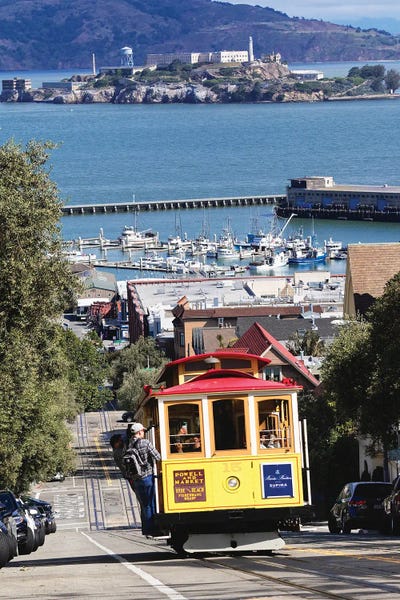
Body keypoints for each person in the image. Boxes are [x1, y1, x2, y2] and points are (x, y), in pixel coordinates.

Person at [128, 422, 161, 536]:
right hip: (147, 477)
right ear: (139, 432)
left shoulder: (130, 445)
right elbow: (158, 456)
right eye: (143, 431)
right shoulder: (145, 443)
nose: (144, 433)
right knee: (150, 503)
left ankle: (146, 529)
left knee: (144, 505)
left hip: (136, 479)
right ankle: (152, 529)